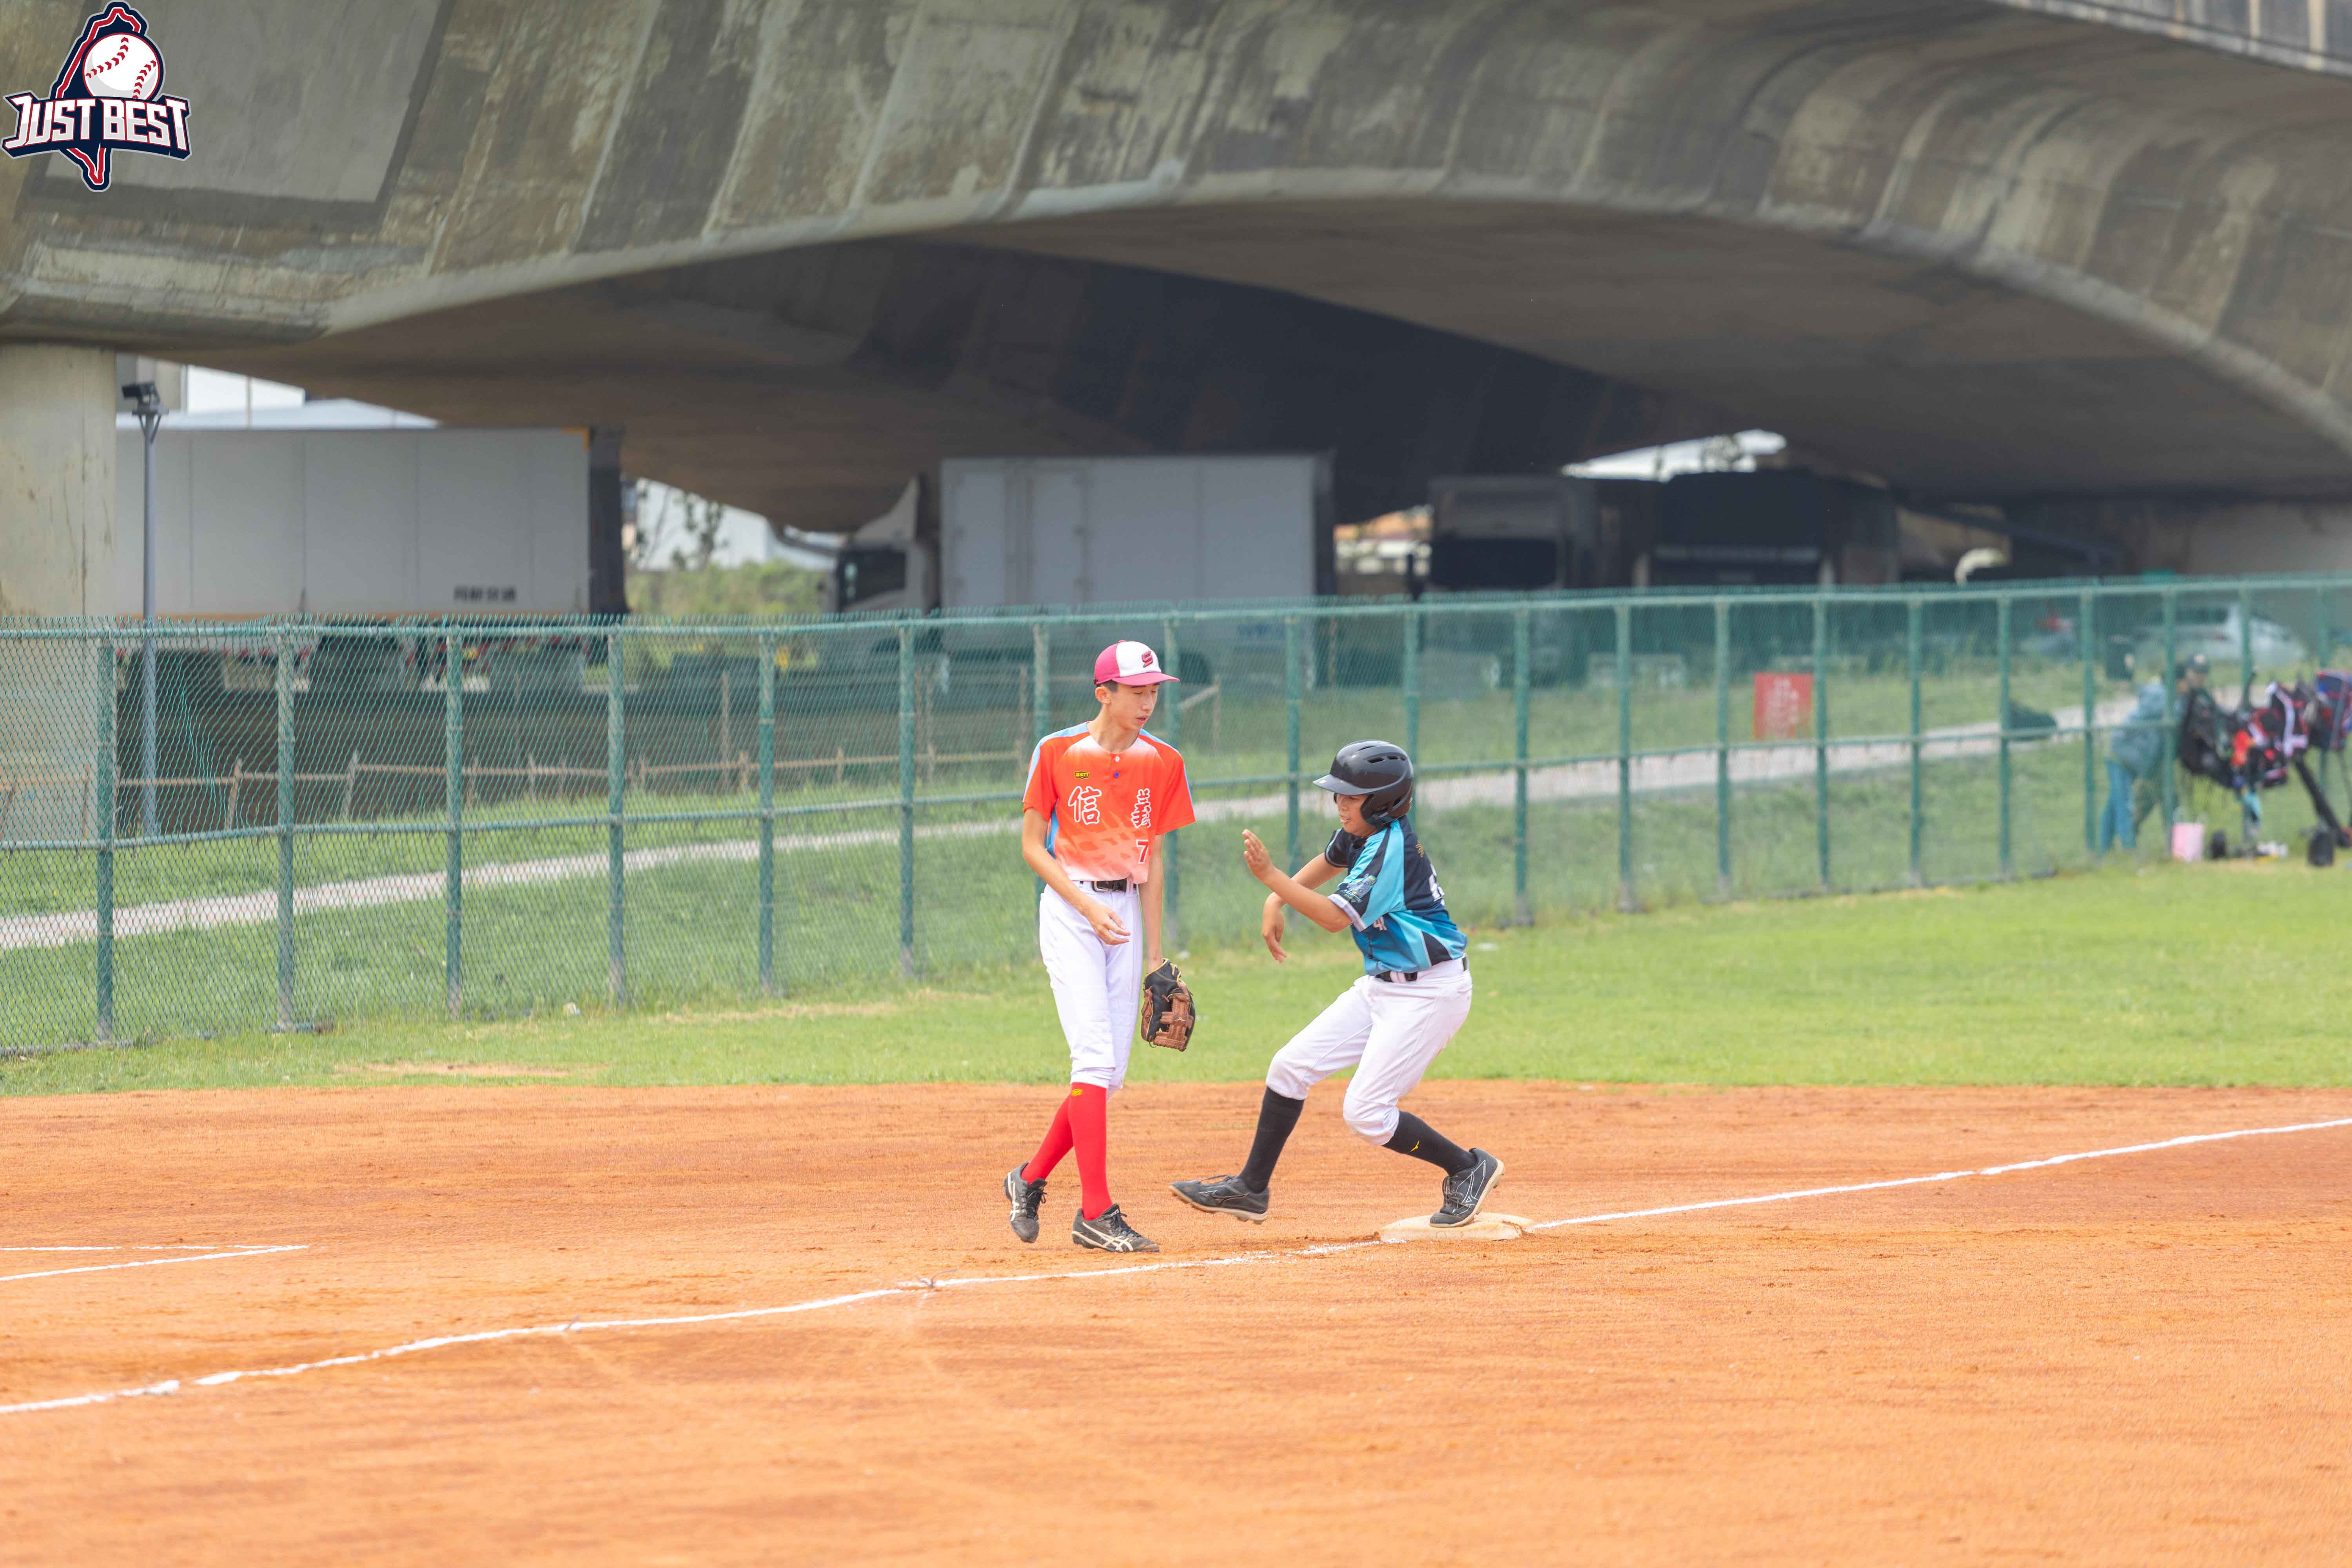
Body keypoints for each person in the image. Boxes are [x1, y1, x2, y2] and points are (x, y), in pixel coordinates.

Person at [1169, 740, 1503, 1228]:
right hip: (1384, 987)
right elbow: (1328, 863)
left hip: (1430, 992)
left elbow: (1329, 917)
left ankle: (1468, 1167)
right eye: (1338, 794)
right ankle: (1251, 1188)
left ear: (1384, 802)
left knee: (1366, 1112)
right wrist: (1276, 901)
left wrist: (1271, 879)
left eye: (1351, 796)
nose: (1340, 804)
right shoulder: (1363, 834)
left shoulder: (1390, 849)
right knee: (1290, 1067)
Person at [1002, 640, 1194, 1254]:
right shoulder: (1058, 751)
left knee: (1107, 1078)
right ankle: (1096, 1213)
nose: (1148, 702)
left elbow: (1156, 860)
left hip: (1126, 910)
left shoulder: (1165, 760)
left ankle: (1028, 1179)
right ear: (1103, 692)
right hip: (1069, 907)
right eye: (1136, 691)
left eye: (1154, 691)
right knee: (1091, 1060)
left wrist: (1158, 955)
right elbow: (1033, 845)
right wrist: (1085, 907)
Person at [2102, 658, 2168, 852]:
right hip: (2122, 756)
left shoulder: (2160, 696)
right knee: (2123, 804)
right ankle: (2129, 850)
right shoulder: (2161, 698)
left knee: (2114, 804)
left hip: (2128, 757)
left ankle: (2103, 849)